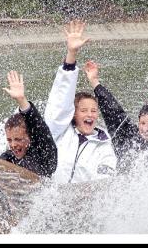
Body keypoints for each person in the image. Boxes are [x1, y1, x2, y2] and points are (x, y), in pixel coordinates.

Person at [44, 20, 117, 184]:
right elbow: (60, 101)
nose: (90, 114)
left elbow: (105, 181)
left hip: (83, 204)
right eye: (84, 111)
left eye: (93, 111)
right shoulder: (59, 131)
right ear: (74, 114)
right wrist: (71, 54)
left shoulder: (104, 145)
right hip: (52, 199)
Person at [0, 70, 57, 177]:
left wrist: (22, 101)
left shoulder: (45, 156)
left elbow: (40, 129)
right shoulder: (7, 158)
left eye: (18, 139)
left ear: (30, 137)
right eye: (9, 140)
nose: (13, 145)